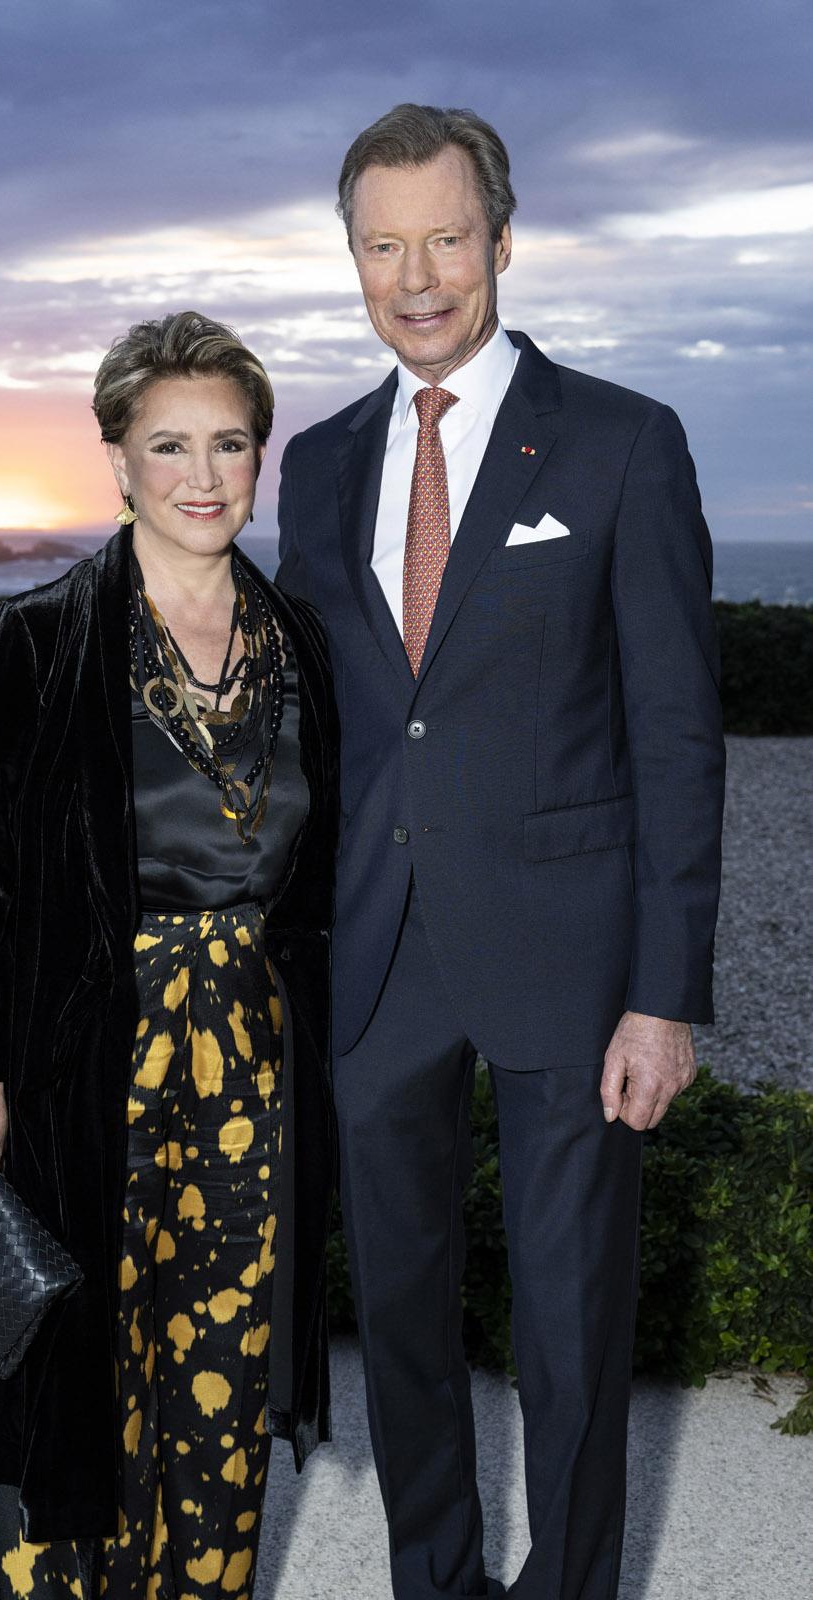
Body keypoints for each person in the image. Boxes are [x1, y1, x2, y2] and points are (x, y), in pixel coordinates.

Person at [276, 103, 725, 1600]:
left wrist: (664, 996)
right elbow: (331, 726)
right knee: (398, 1312)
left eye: (446, 238)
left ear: (503, 241)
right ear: (352, 257)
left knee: (571, 1317)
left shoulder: (621, 442)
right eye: (384, 244)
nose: (418, 276)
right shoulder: (324, 462)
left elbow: (675, 737)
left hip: (572, 966)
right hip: (377, 958)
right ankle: (437, 1581)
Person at [0, 310, 338, 1600]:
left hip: (250, 1073)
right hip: (80, 1065)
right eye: (170, 446)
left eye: (229, 444)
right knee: (72, 1375)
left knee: (217, 1376)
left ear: (259, 458)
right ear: (117, 459)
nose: (203, 476)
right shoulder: (40, 644)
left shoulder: (300, 649)